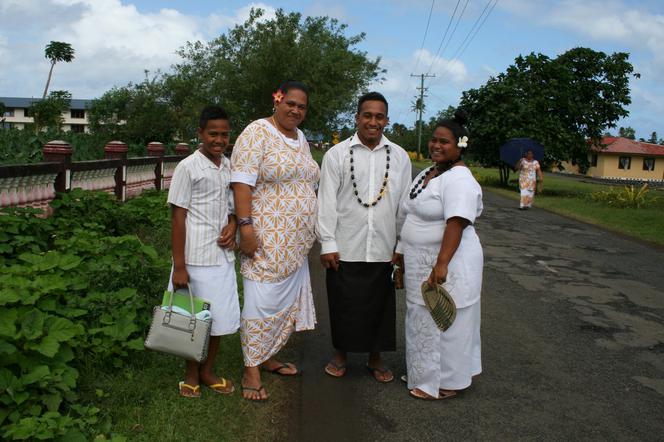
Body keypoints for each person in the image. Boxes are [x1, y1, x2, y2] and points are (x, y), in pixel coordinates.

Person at [231, 81, 320, 401]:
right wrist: (246, 228)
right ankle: (250, 368)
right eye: (290, 103)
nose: (296, 110)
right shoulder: (256, 132)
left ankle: (266, 356)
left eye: (302, 107)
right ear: (277, 101)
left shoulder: (301, 139)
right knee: (260, 301)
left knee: (281, 302)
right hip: (266, 238)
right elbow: (241, 184)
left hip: (296, 243)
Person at [317, 92, 411, 383]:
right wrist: (327, 243)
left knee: (380, 305)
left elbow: (404, 205)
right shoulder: (336, 154)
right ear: (356, 118)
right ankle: (341, 354)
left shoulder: (399, 156)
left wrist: (401, 244)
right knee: (343, 302)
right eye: (367, 115)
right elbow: (326, 201)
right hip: (345, 245)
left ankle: (375, 358)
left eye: (379, 116)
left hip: (383, 245)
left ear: (387, 121)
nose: (373, 121)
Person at [398, 111, 483, 400]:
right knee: (421, 316)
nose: (436, 145)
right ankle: (423, 373)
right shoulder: (429, 172)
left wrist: (442, 263)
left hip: (449, 260)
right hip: (419, 259)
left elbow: (456, 222)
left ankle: (446, 383)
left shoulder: (459, 179)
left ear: (460, 146)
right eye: (433, 139)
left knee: (446, 318)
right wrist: (399, 252)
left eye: (444, 142)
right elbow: (409, 214)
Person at [168, 105, 240, 397]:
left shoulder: (229, 165)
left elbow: (233, 208)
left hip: (222, 258)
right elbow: (177, 217)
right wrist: (180, 266)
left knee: (218, 320)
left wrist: (233, 225)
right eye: (213, 134)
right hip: (194, 258)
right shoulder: (188, 167)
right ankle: (191, 375)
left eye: (224, 134)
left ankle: (208, 371)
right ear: (200, 133)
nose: (219, 140)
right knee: (193, 319)